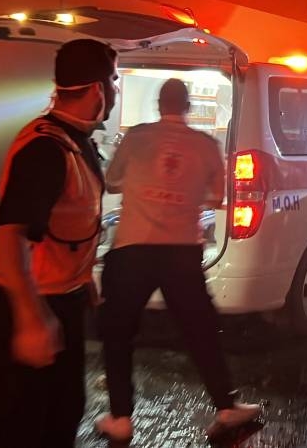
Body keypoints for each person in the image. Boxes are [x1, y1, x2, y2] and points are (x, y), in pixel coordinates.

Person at [94, 79, 261, 441]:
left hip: (133, 249)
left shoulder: (137, 137)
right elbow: (216, 197)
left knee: (118, 332)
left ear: (159, 104)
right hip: (181, 252)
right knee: (200, 331)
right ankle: (227, 407)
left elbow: (112, 182)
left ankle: (121, 418)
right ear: (187, 106)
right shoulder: (206, 145)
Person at [0, 39, 118, 447]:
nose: (116, 89)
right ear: (96, 90)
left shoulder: (77, 140)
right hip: (22, 302)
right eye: (115, 80)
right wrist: (31, 318)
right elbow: (7, 242)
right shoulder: (46, 149)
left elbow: (70, 222)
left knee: (64, 411)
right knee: (23, 427)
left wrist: (83, 277)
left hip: (60, 297)